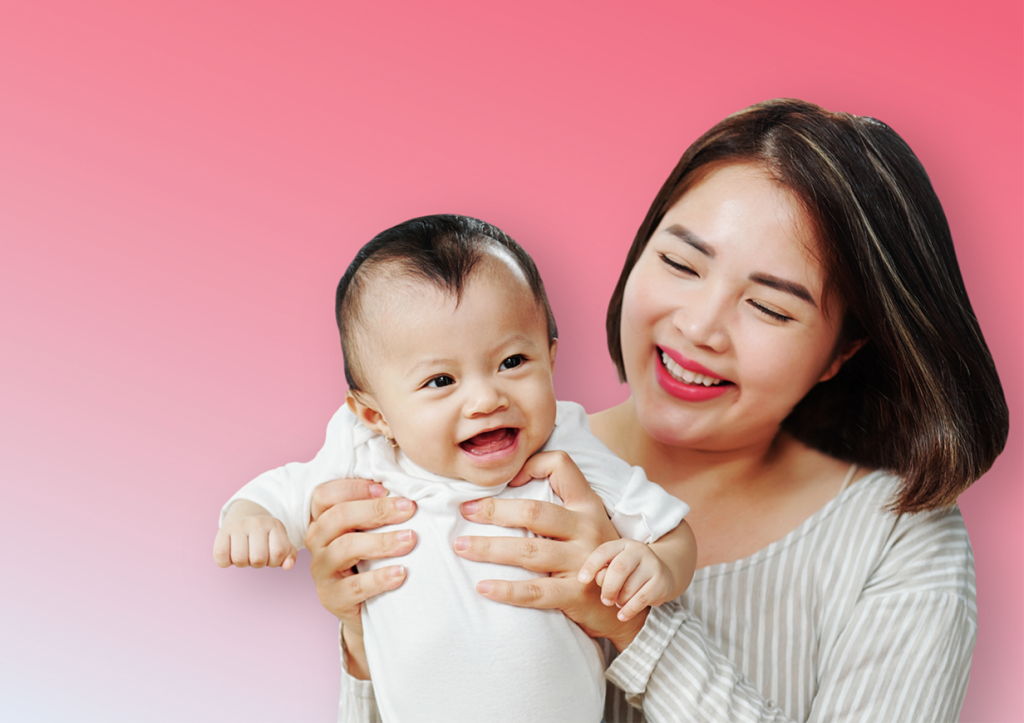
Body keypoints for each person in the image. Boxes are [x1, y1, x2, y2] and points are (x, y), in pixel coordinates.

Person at [307, 99, 1009, 722]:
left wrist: (639, 626)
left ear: (843, 350)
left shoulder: (899, 544)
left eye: (768, 306)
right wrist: (367, 639)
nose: (699, 327)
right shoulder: (477, 458)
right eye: (680, 263)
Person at [213, 215, 697, 723]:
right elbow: (278, 493)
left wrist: (660, 568)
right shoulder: (361, 453)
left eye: (513, 361)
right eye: (441, 380)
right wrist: (251, 520)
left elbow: (670, 530)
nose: (487, 399)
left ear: (551, 359)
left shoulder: (565, 448)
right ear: (377, 415)